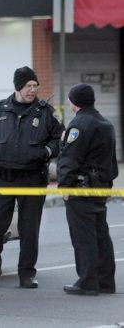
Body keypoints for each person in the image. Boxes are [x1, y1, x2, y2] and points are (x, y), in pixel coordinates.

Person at [0, 66, 63, 288]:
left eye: (35, 86)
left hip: (32, 178)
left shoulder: (46, 112)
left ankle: (26, 273)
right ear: (18, 87)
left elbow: (59, 139)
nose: (32, 90)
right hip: (3, 176)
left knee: (29, 228)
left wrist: (46, 152)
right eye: (28, 85)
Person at [57, 83, 118, 296]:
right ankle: (106, 282)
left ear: (74, 102)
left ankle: (87, 282)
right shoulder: (105, 123)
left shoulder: (79, 125)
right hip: (100, 189)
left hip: (80, 189)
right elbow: (112, 161)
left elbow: (70, 159)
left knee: (84, 237)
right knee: (101, 235)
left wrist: (64, 186)